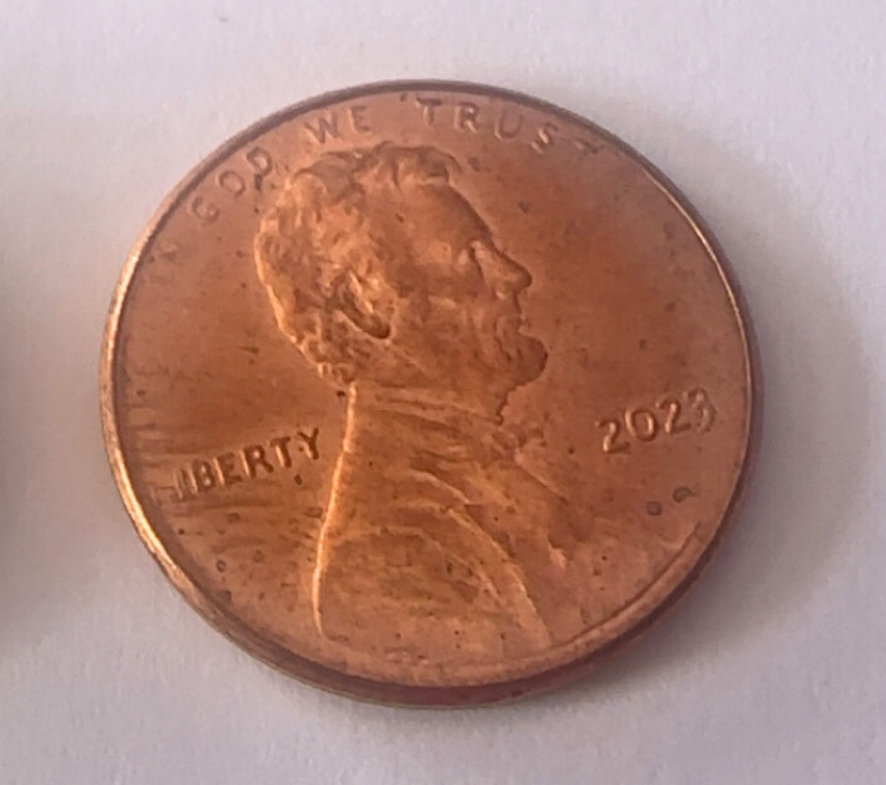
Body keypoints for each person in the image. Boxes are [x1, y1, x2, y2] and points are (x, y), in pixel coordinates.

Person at [255, 143, 647, 674]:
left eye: (494, 251)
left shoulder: (492, 480)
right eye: (471, 259)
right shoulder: (386, 563)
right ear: (368, 307)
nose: (514, 276)